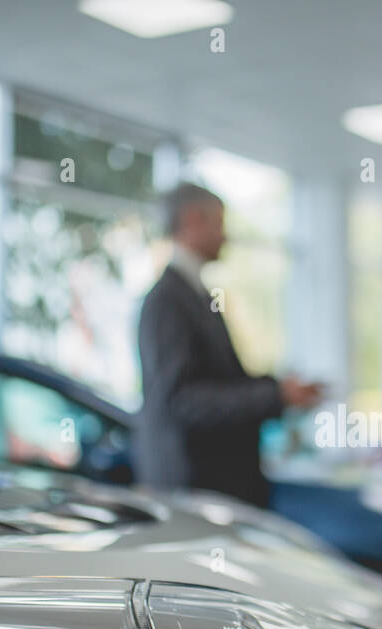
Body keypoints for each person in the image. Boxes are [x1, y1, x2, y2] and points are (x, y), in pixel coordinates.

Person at [134, 183, 321, 506]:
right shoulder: (167, 301)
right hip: (195, 486)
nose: (225, 236)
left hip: (216, 482)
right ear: (192, 221)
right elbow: (183, 399)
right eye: (219, 224)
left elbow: (217, 381)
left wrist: (278, 390)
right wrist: (274, 395)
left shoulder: (195, 295)